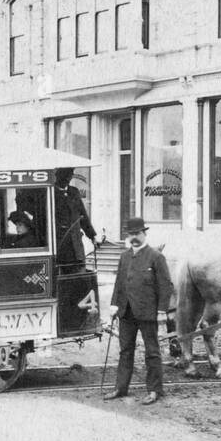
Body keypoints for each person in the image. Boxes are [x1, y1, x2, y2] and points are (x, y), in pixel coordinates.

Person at [106, 217, 172, 404]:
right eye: (131, 234)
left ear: (144, 234)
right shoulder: (124, 256)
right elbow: (119, 283)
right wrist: (114, 305)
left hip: (147, 312)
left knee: (152, 351)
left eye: (137, 234)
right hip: (126, 312)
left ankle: (154, 390)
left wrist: (161, 311)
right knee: (125, 351)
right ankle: (120, 388)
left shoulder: (156, 257)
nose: (134, 238)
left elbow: (165, 286)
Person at [54, 167, 98, 272]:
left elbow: (83, 216)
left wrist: (92, 236)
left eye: (69, 176)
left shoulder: (74, 192)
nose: (67, 179)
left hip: (76, 246)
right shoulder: (50, 192)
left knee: (79, 275)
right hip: (60, 246)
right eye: (65, 176)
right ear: (58, 176)